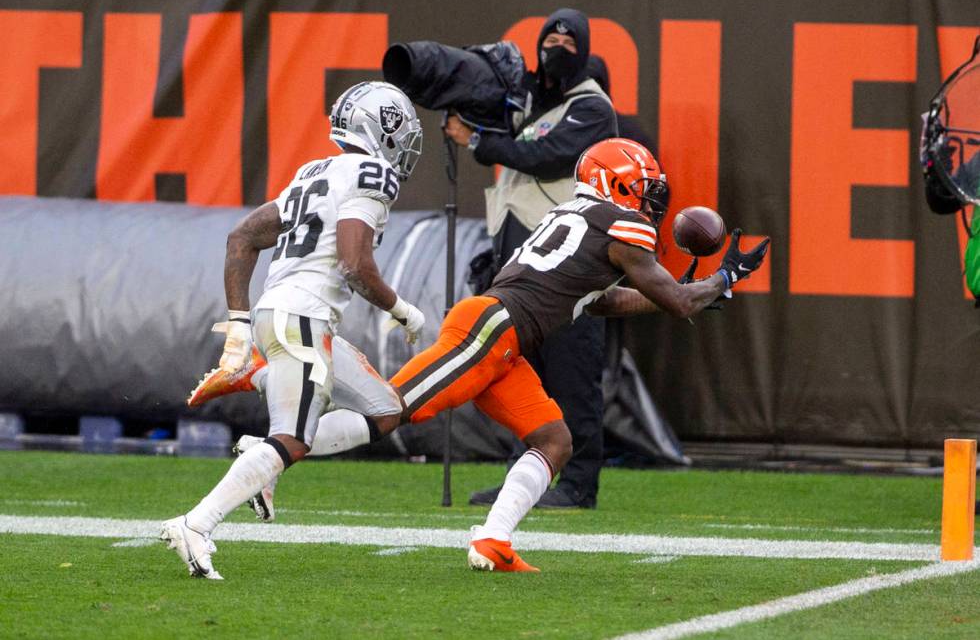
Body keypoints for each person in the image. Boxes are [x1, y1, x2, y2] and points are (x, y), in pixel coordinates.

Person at [195, 138, 770, 572]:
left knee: (555, 440)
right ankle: (269, 446)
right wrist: (721, 279)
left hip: (505, 341)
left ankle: (492, 540)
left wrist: (693, 291)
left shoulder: (578, 216)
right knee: (390, 411)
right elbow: (671, 299)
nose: (651, 202)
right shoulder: (620, 225)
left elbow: (600, 302)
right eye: (644, 189)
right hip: (489, 333)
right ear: (617, 185)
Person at [161, 81, 425, 580]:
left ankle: (261, 451)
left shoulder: (315, 171)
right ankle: (196, 524)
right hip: (301, 320)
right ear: (380, 128)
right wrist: (402, 309)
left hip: (285, 317)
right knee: (294, 439)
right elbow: (353, 263)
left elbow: (242, 238)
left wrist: (241, 322)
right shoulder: (374, 172)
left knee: (386, 410)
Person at [443, 8, 618, 509]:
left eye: (568, 42)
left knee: (572, 373)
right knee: (521, 376)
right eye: (550, 40)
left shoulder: (592, 108)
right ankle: (523, 478)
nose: (556, 47)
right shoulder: (527, 102)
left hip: (570, 267)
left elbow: (547, 155)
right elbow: (490, 110)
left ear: (583, 52)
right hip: (519, 263)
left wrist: (478, 142)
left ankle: (578, 484)